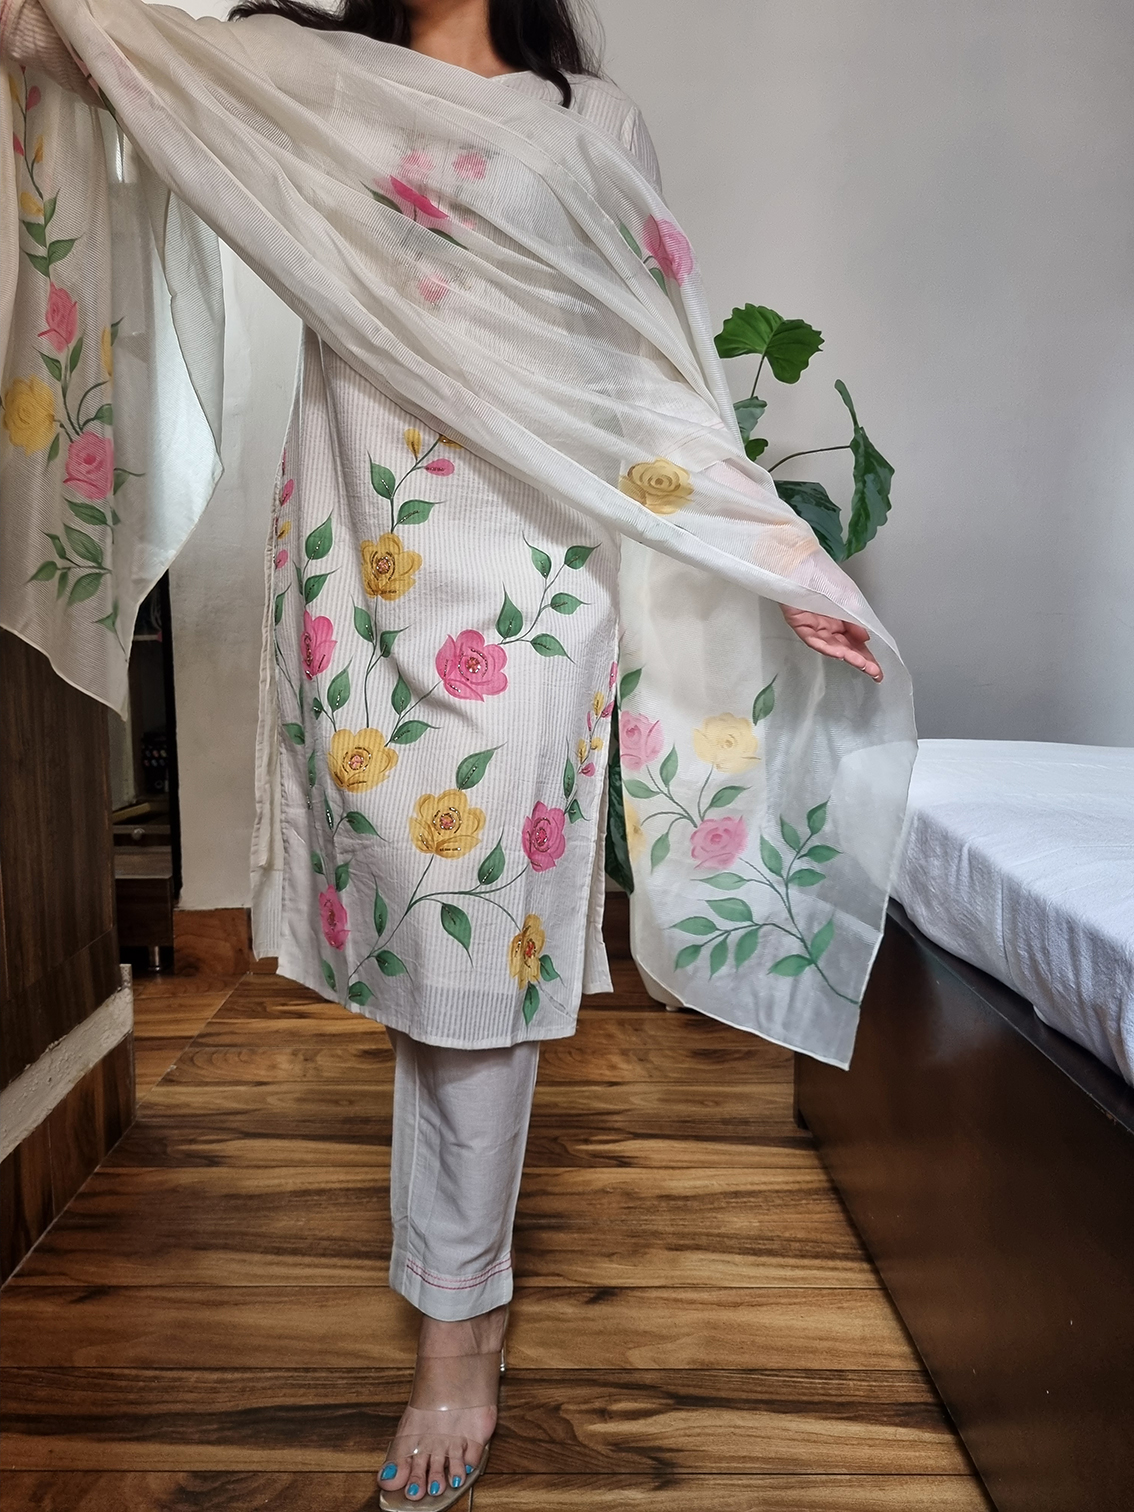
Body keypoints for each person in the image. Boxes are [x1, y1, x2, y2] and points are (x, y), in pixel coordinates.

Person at [1, 1, 914, 1505]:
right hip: (362, 578)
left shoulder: (589, 128)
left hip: (535, 591)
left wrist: (773, 552)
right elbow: (67, 41)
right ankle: (457, 1282)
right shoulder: (296, 70)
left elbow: (644, 374)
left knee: (480, 961)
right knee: (431, 956)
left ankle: (455, 1328)